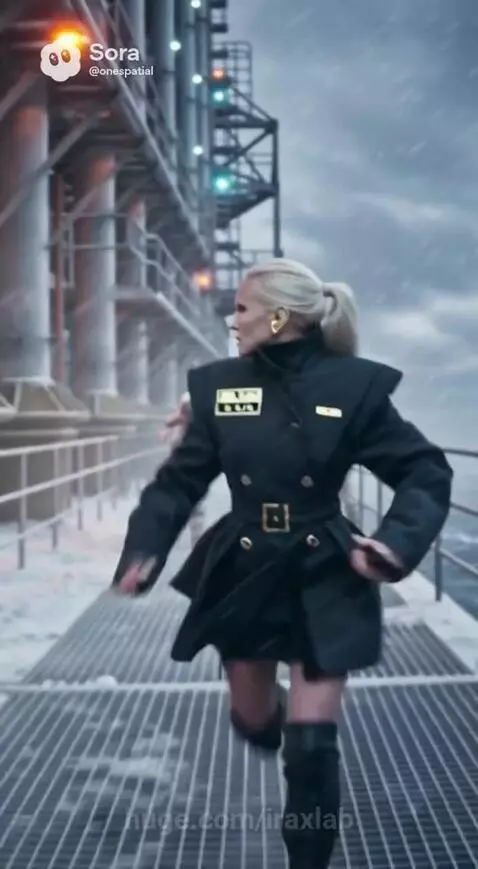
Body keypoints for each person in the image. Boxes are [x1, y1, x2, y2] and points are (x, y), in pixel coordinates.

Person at [111, 258, 453, 869]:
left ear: (277, 316)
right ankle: (267, 716)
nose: (231, 319)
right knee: (251, 720)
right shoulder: (217, 388)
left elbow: (424, 471)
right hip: (245, 567)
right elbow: (177, 485)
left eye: (240, 308)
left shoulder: (355, 388)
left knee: (311, 748)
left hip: (329, 568)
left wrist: (394, 544)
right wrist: (144, 550)